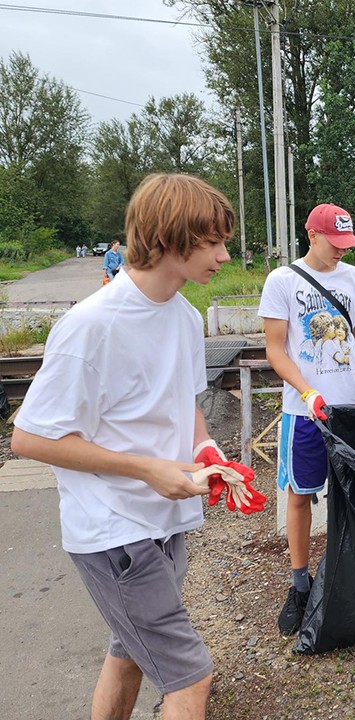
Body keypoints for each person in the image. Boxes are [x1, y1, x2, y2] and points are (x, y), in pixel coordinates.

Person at [11, 173, 265, 720]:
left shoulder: (185, 317)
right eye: (214, 241)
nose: (224, 255)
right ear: (172, 239)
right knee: (191, 679)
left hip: (163, 522)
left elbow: (183, 404)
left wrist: (207, 453)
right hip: (114, 531)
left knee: (128, 654)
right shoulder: (91, 325)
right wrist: (147, 470)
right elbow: (28, 437)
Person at [257, 202, 355, 636]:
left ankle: (349, 574)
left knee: (350, 494)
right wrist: (308, 390)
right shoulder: (282, 281)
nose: (341, 252)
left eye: (346, 244)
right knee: (300, 495)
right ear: (311, 235)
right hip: (304, 413)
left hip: (351, 411)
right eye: (334, 244)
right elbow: (275, 350)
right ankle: (300, 584)